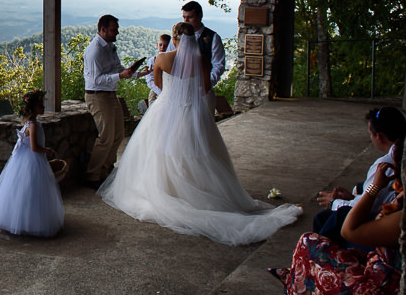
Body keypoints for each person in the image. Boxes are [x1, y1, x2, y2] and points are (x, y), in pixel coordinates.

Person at [97, 22, 300, 245]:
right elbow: (205, 87)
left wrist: (174, 93)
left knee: (160, 152)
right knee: (198, 154)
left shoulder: (162, 59)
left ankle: (168, 191)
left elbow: (157, 83)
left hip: (165, 110)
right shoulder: (202, 60)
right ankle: (197, 193)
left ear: (175, 39)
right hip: (192, 112)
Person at [278, 143, 404, 295]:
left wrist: (376, 185)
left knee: (308, 242)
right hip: (379, 281)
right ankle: (298, 277)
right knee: (314, 247)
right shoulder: (402, 197)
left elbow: (351, 230)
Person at [312, 107, 406, 246]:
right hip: (384, 213)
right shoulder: (404, 156)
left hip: (379, 228)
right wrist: (353, 197)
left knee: (331, 217)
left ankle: (320, 259)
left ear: (378, 136)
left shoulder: (385, 165)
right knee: (359, 188)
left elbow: (362, 210)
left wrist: (335, 203)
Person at [0, 89, 65, 237]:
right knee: (32, 191)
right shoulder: (32, 125)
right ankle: (30, 222)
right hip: (32, 160)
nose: (43, 107)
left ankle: (26, 221)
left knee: (28, 191)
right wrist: (48, 151)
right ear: (33, 108)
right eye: (40, 105)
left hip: (26, 159)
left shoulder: (31, 123)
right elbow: (34, 147)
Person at [83, 14, 136, 185]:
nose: (117, 34)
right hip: (97, 95)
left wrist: (136, 72)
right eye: (114, 30)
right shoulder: (95, 50)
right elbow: (97, 79)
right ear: (103, 30)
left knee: (119, 134)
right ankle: (92, 175)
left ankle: (106, 170)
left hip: (110, 94)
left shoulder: (110, 46)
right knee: (105, 137)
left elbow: (117, 68)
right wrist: (120, 75)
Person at [181, 1, 225, 115]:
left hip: (204, 91)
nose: (185, 21)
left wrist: (207, 84)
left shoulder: (213, 37)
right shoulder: (178, 36)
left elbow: (218, 65)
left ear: (200, 16)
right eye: (184, 17)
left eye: (189, 17)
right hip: (182, 90)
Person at [137, 33, 171, 105]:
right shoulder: (152, 60)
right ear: (157, 45)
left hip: (169, 90)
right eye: (160, 45)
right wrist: (160, 92)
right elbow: (150, 79)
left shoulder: (171, 60)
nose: (162, 47)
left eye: (165, 46)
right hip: (155, 91)